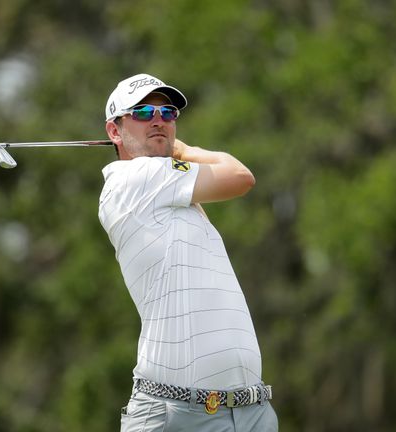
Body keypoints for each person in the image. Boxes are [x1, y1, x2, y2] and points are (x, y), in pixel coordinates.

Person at [98, 73, 278, 431]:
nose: (159, 120)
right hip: (178, 414)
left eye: (168, 114)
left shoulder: (174, 196)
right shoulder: (136, 178)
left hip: (250, 411)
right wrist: (186, 151)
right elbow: (239, 175)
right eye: (144, 111)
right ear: (115, 131)